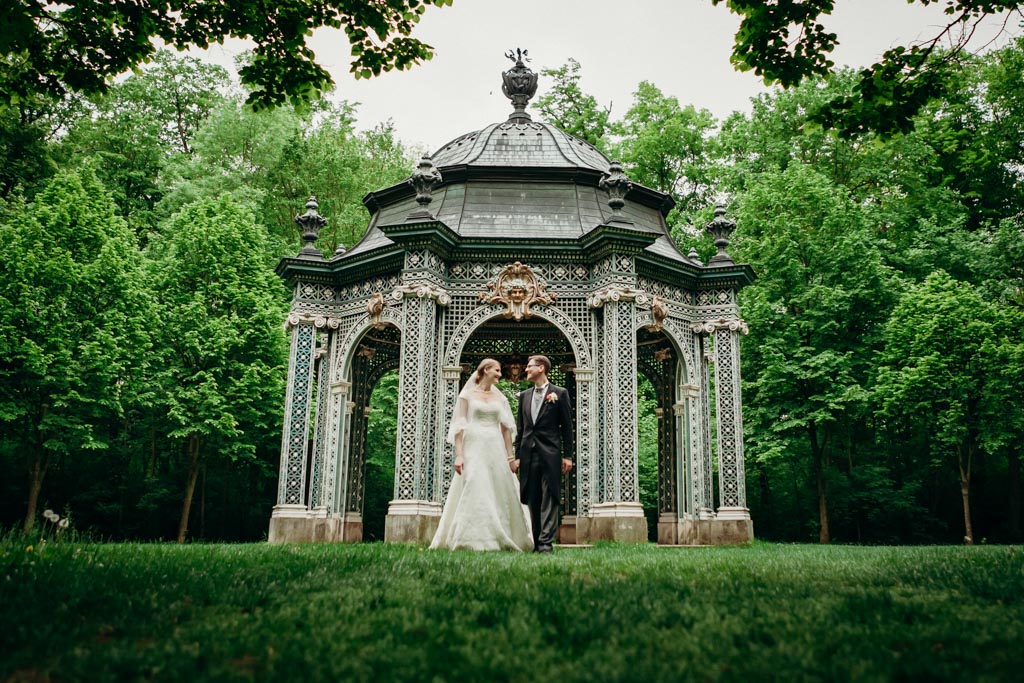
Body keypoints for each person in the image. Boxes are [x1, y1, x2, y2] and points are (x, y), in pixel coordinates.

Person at [430, 358, 533, 551]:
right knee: (474, 483)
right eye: (496, 370)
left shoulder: (500, 398)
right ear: (485, 370)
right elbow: (459, 428)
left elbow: (506, 430)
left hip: (495, 446)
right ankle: (469, 538)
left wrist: (510, 458)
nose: (500, 374)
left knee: (499, 488)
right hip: (474, 445)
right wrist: (459, 455)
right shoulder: (467, 395)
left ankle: (501, 535)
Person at [513, 355, 574, 553]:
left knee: (550, 496)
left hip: (551, 453)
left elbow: (567, 427)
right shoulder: (524, 396)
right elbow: (521, 428)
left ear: (541, 368)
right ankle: (537, 542)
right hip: (528, 453)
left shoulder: (560, 393)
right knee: (532, 498)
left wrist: (568, 456)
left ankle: (546, 542)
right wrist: (517, 455)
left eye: (529, 367)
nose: (526, 370)